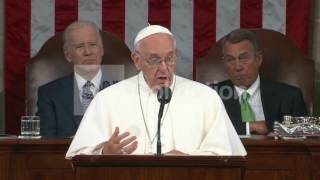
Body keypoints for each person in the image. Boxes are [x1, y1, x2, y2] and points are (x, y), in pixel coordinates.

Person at [66, 25, 246, 158]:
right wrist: (105, 152)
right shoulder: (107, 99)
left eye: (169, 58)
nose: (163, 68)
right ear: (137, 60)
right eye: (154, 60)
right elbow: (78, 156)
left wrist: (190, 160)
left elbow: (227, 155)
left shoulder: (205, 97)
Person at [212, 29, 308, 136]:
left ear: (258, 59)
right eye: (230, 60)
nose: (237, 66)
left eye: (244, 58)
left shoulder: (290, 96)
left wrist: (272, 128)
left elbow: (306, 129)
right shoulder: (210, 95)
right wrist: (250, 126)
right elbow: (202, 129)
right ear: (224, 63)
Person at [36, 20, 109, 137]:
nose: (88, 52)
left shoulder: (123, 89)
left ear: (102, 50)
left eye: (93, 45)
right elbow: (46, 144)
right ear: (68, 55)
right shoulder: (49, 94)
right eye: (80, 47)